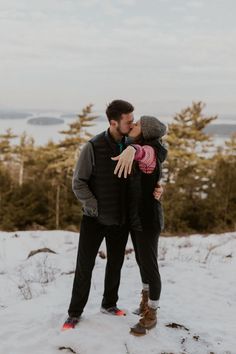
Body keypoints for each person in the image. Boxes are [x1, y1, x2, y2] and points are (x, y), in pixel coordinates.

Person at [112, 116, 167, 336]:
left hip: (148, 219)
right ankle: (145, 300)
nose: (134, 125)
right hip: (137, 218)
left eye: (138, 124)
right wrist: (130, 147)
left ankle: (152, 313)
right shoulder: (137, 145)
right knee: (141, 261)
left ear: (146, 132)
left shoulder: (150, 150)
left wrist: (132, 149)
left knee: (150, 265)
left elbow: (145, 155)